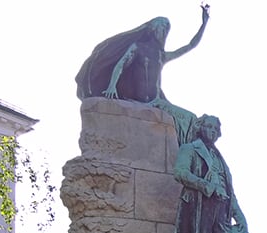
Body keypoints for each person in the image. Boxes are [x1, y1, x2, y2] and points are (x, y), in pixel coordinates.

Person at [75, 5, 210, 145]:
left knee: (190, 119)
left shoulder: (161, 55)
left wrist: (204, 24)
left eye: (167, 29)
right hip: (140, 101)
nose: (164, 31)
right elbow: (121, 65)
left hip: (158, 102)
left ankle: (186, 155)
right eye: (162, 27)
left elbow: (190, 46)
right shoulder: (137, 47)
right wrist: (111, 86)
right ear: (152, 29)